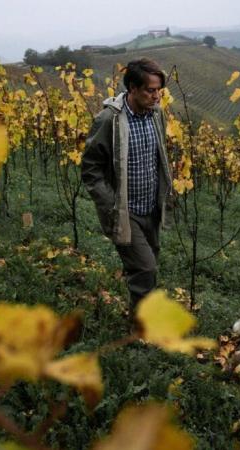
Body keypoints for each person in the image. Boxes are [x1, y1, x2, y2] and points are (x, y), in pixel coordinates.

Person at [81, 58, 171, 318]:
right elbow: (91, 168)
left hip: (151, 208)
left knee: (148, 264)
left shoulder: (157, 115)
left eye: (159, 90)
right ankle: (141, 328)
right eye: (150, 90)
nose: (156, 96)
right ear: (132, 88)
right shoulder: (109, 120)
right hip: (124, 210)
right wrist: (110, 204)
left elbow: (158, 156)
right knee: (145, 269)